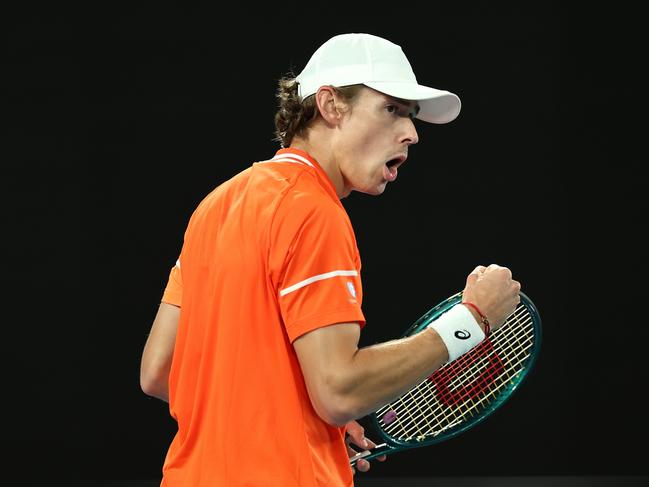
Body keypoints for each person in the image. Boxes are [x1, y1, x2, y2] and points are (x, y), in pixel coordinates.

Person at [140, 33, 521, 486]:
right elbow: (339, 390)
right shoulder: (313, 210)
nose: (412, 133)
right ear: (331, 105)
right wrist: (471, 321)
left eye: (412, 117)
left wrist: (297, 419)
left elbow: (160, 371)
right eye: (392, 109)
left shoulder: (215, 206)